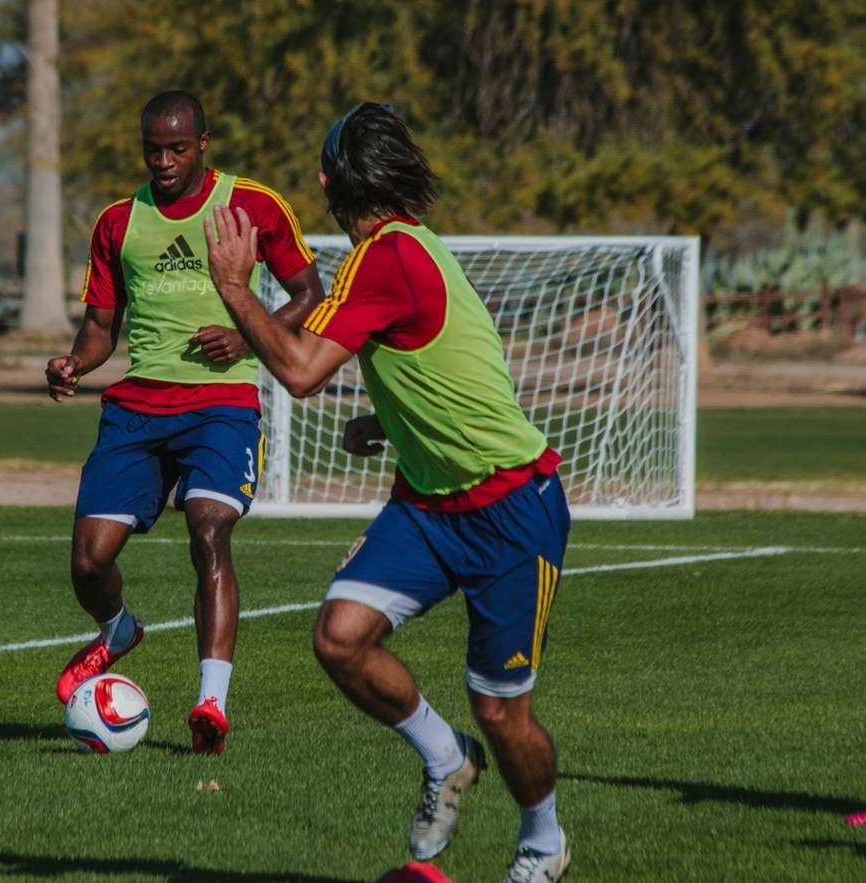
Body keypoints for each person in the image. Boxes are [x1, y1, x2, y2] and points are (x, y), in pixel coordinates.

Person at [202, 103, 571, 881]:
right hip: (430, 504)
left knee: (501, 710)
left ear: (329, 181)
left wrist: (235, 288)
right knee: (341, 636)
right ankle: (446, 757)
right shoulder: (405, 248)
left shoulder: (389, 256)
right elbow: (449, 359)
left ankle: (544, 844)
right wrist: (388, 421)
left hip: (511, 508)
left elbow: (300, 372)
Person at [46, 90, 324, 755]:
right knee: (88, 560)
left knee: (209, 529)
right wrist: (75, 362)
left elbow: (310, 294)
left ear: (204, 143)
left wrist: (247, 333)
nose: (164, 161)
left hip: (222, 404)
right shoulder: (117, 222)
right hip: (138, 407)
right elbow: (101, 327)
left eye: (177, 148)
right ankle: (117, 629)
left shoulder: (253, 205)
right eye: (153, 150)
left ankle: (211, 702)